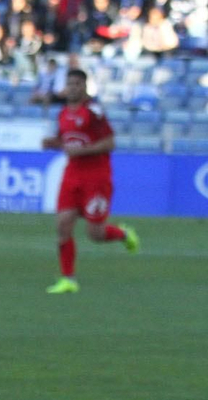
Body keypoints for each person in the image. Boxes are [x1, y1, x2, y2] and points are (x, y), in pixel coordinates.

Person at [41, 68, 139, 295]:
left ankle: (123, 234)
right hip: (72, 175)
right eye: (70, 84)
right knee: (63, 224)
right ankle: (68, 279)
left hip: (96, 177)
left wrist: (84, 151)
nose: (73, 88)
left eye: (77, 84)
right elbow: (66, 141)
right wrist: (52, 143)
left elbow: (110, 143)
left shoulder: (94, 112)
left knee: (95, 234)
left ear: (85, 87)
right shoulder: (63, 113)